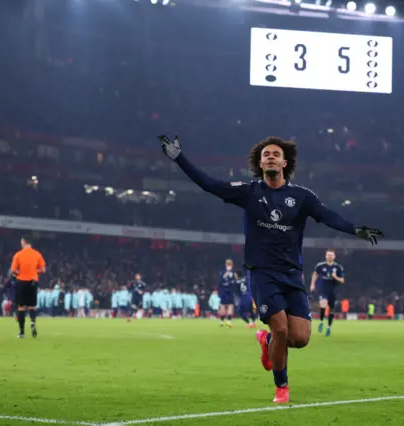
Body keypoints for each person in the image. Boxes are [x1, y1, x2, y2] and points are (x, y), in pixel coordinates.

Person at [159, 134, 383, 404]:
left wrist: (356, 229)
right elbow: (210, 185)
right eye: (266, 155)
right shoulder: (249, 192)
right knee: (280, 328)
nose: (271, 157)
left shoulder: (302, 196)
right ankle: (282, 387)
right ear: (260, 163)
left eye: (276, 154)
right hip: (262, 272)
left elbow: (328, 216)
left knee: (299, 338)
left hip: (291, 274)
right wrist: (179, 157)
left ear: (285, 162)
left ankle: (266, 342)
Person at [10, 236, 46, 338]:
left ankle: (21, 332)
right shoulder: (37, 254)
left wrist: (20, 273)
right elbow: (43, 269)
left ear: (24, 242)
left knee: (21, 307)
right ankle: (33, 322)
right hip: (33, 282)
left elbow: (13, 270)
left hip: (21, 281)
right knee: (31, 306)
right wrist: (34, 272)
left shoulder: (18, 254)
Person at [310, 249, 345, 337]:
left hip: (333, 291)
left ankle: (329, 327)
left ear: (334, 256)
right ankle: (321, 322)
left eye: (331, 255)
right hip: (323, 290)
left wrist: (335, 277)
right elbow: (315, 274)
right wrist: (312, 284)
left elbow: (342, 280)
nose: (329, 256)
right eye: (328, 255)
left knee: (331, 311)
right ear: (325, 256)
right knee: (323, 304)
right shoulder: (320, 265)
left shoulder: (338, 267)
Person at [218, 259, 237, 328]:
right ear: (226, 265)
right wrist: (225, 276)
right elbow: (219, 282)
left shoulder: (234, 273)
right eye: (228, 265)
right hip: (223, 290)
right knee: (223, 305)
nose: (229, 266)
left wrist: (232, 277)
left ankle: (229, 321)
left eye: (230, 265)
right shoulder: (222, 272)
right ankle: (222, 321)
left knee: (230, 305)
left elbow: (235, 282)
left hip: (230, 291)